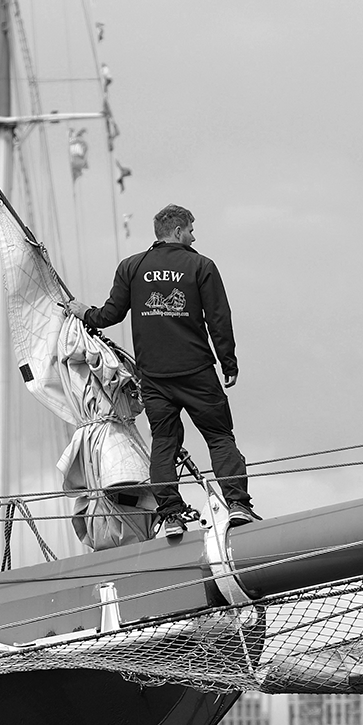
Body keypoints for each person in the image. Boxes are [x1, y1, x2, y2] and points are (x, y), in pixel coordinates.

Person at [82, 204, 256, 538]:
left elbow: (110, 314)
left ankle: (172, 515)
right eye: (191, 230)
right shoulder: (201, 266)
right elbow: (219, 318)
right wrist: (229, 362)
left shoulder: (131, 266)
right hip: (196, 371)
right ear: (177, 231)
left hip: (154, 376)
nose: (194, 236)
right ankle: (237, 504)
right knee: (219, 437)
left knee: (164, 442)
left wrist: (84, 313)